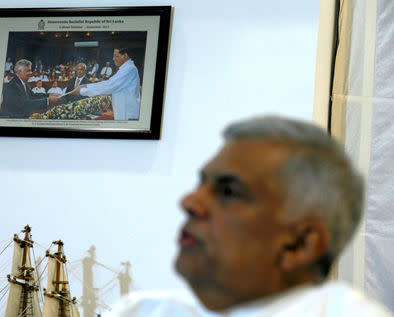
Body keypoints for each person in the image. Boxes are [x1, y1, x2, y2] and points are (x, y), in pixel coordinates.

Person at [104, 116, 392, 316]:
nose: (190, 202)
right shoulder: (142, 310)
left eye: (228, 191)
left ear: (299, 244)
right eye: (201, 184)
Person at [71, 48, 140, 120]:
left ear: (125, 56)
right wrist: (86, 86)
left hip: (128, 114)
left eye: (116, 56)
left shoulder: (130, 69)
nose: (113, 59)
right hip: (123, 112)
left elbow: (109, 86)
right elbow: (108, 83)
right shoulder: (125, 68)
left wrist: (82, 91)